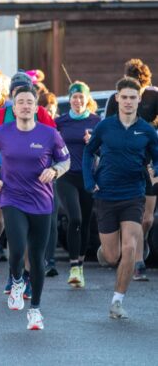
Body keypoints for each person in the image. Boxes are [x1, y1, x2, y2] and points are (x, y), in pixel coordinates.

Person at [0, 85, 70, 330]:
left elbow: (65, 160)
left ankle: (35, 310)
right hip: (12, 198)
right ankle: (18, 280)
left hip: (42, 202)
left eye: (29, 102)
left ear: (36, 106)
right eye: (20, 101)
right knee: (18, 247)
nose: (25, 106)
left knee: (37, 258)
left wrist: (54, 171)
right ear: (13, 104)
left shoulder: (49, 134)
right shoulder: (2, 132)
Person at [83, 77, 158, 319]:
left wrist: (155, 171)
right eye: (124, 97)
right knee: (112, 256)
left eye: (132, 98)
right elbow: (88, 152)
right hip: (106, 195)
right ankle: (105, 252)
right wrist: (89, 180)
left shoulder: (147, 130)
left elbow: (156, 157)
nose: (128, 101)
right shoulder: (105, 127)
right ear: (117, 98)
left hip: (133, 195)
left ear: (138, 100)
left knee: (129, 247)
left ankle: (117, 301)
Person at [105, 59, 158, 281]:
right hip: (123, 164)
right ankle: (137, 261)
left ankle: (139, 242)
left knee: (146, 218)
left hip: (148, 162)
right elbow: (106, 128)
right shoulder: (114, 99)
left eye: (139, 85)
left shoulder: (154, 97)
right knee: (133, 215)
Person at [55, 82, 101, 288]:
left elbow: (104, 150)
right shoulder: (61, 122)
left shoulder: (96, 121)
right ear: (70, 98)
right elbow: (51, 146)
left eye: (81, 97)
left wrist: (93, 142)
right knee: (74, 217)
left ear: (87, 99)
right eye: (74, 96)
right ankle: (74, 266)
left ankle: (80, 267)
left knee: (84, 222)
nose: (77, 100)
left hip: (88, 177)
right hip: (65, 176)